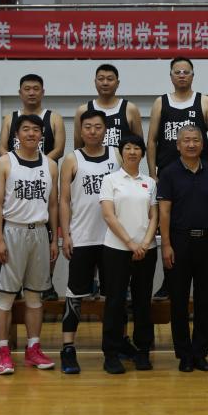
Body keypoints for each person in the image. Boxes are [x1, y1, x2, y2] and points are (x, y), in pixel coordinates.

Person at [0, 114, 59, 375]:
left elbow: (53, 204)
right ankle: (3, 352)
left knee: (34, 296)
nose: (31, 133)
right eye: (26, 129)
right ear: (17, 135)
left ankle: (33, 349)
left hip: (39, 232)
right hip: (12, 231)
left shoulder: (50, 165)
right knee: (5, 296)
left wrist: (54, 238)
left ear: (42, 135)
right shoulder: (4, 162)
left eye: (36, 130)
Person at [147, 56, 208, 301]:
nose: (181, 75)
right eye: (177, 71)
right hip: (169, 177)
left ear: (192, 75)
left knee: (199, 222)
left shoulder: (205, 102)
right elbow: (151, 140)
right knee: (168, 229)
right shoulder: (161, 102)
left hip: (199, 175)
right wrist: (152, 174)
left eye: (186, 71)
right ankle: (169, 282)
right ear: (171, 76)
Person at [59, 110, 122, 374]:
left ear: (105, 130)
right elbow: (63, 200)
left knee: (113, 297)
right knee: (75, 294)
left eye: (98, 126)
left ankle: (113, 348)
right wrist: (65, 235)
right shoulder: (72, 159)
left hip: (112, 239)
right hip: (82, 237)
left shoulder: (116, 155)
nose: (93, 131)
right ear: (80, 130)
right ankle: (68, 348)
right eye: (88, 127)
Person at [158, 125, 208, 372]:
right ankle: (184, 354)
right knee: (178, 300)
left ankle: (200, 353)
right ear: (178, 145)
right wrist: (166, 244)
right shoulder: (168, 173)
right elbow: (164, 212)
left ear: (202, 144)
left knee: (204, 301)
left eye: (196, 140)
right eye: (186, 140)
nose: (191, 144)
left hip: (207, 241)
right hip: (178, 242)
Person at [99, 134, 159, 375]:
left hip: (147, 251)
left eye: (137, 148)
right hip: (117, 249)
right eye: (128, 147)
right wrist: (130, 244)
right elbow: (108, 215)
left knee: (143, 302)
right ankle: (111, 354)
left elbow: (154, 216)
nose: (132, 152)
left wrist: (144, 243)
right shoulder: (110, 180)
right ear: (121, 152)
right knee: (115, 302)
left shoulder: (150, 182)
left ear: (142, 154)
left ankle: (142, 351)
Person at [73, 64, 144, 151]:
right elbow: (78, 147)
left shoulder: (130, 109)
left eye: (110, 79)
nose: (105, 83)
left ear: (117, 83)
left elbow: (139, 145)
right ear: (95, 82)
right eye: (101, 79)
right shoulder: (83, 110)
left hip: (121, 160)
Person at [0, 73, 65, 162]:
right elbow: (2, 148)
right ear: (20, 93)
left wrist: (40, 165)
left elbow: (59, 150)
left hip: (45, 169)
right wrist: (16, 165)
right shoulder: (9, 118)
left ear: (43, 92)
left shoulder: (55, 118)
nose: (31, 93)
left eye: (36, 89)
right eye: (27, 89)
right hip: (14, 169)